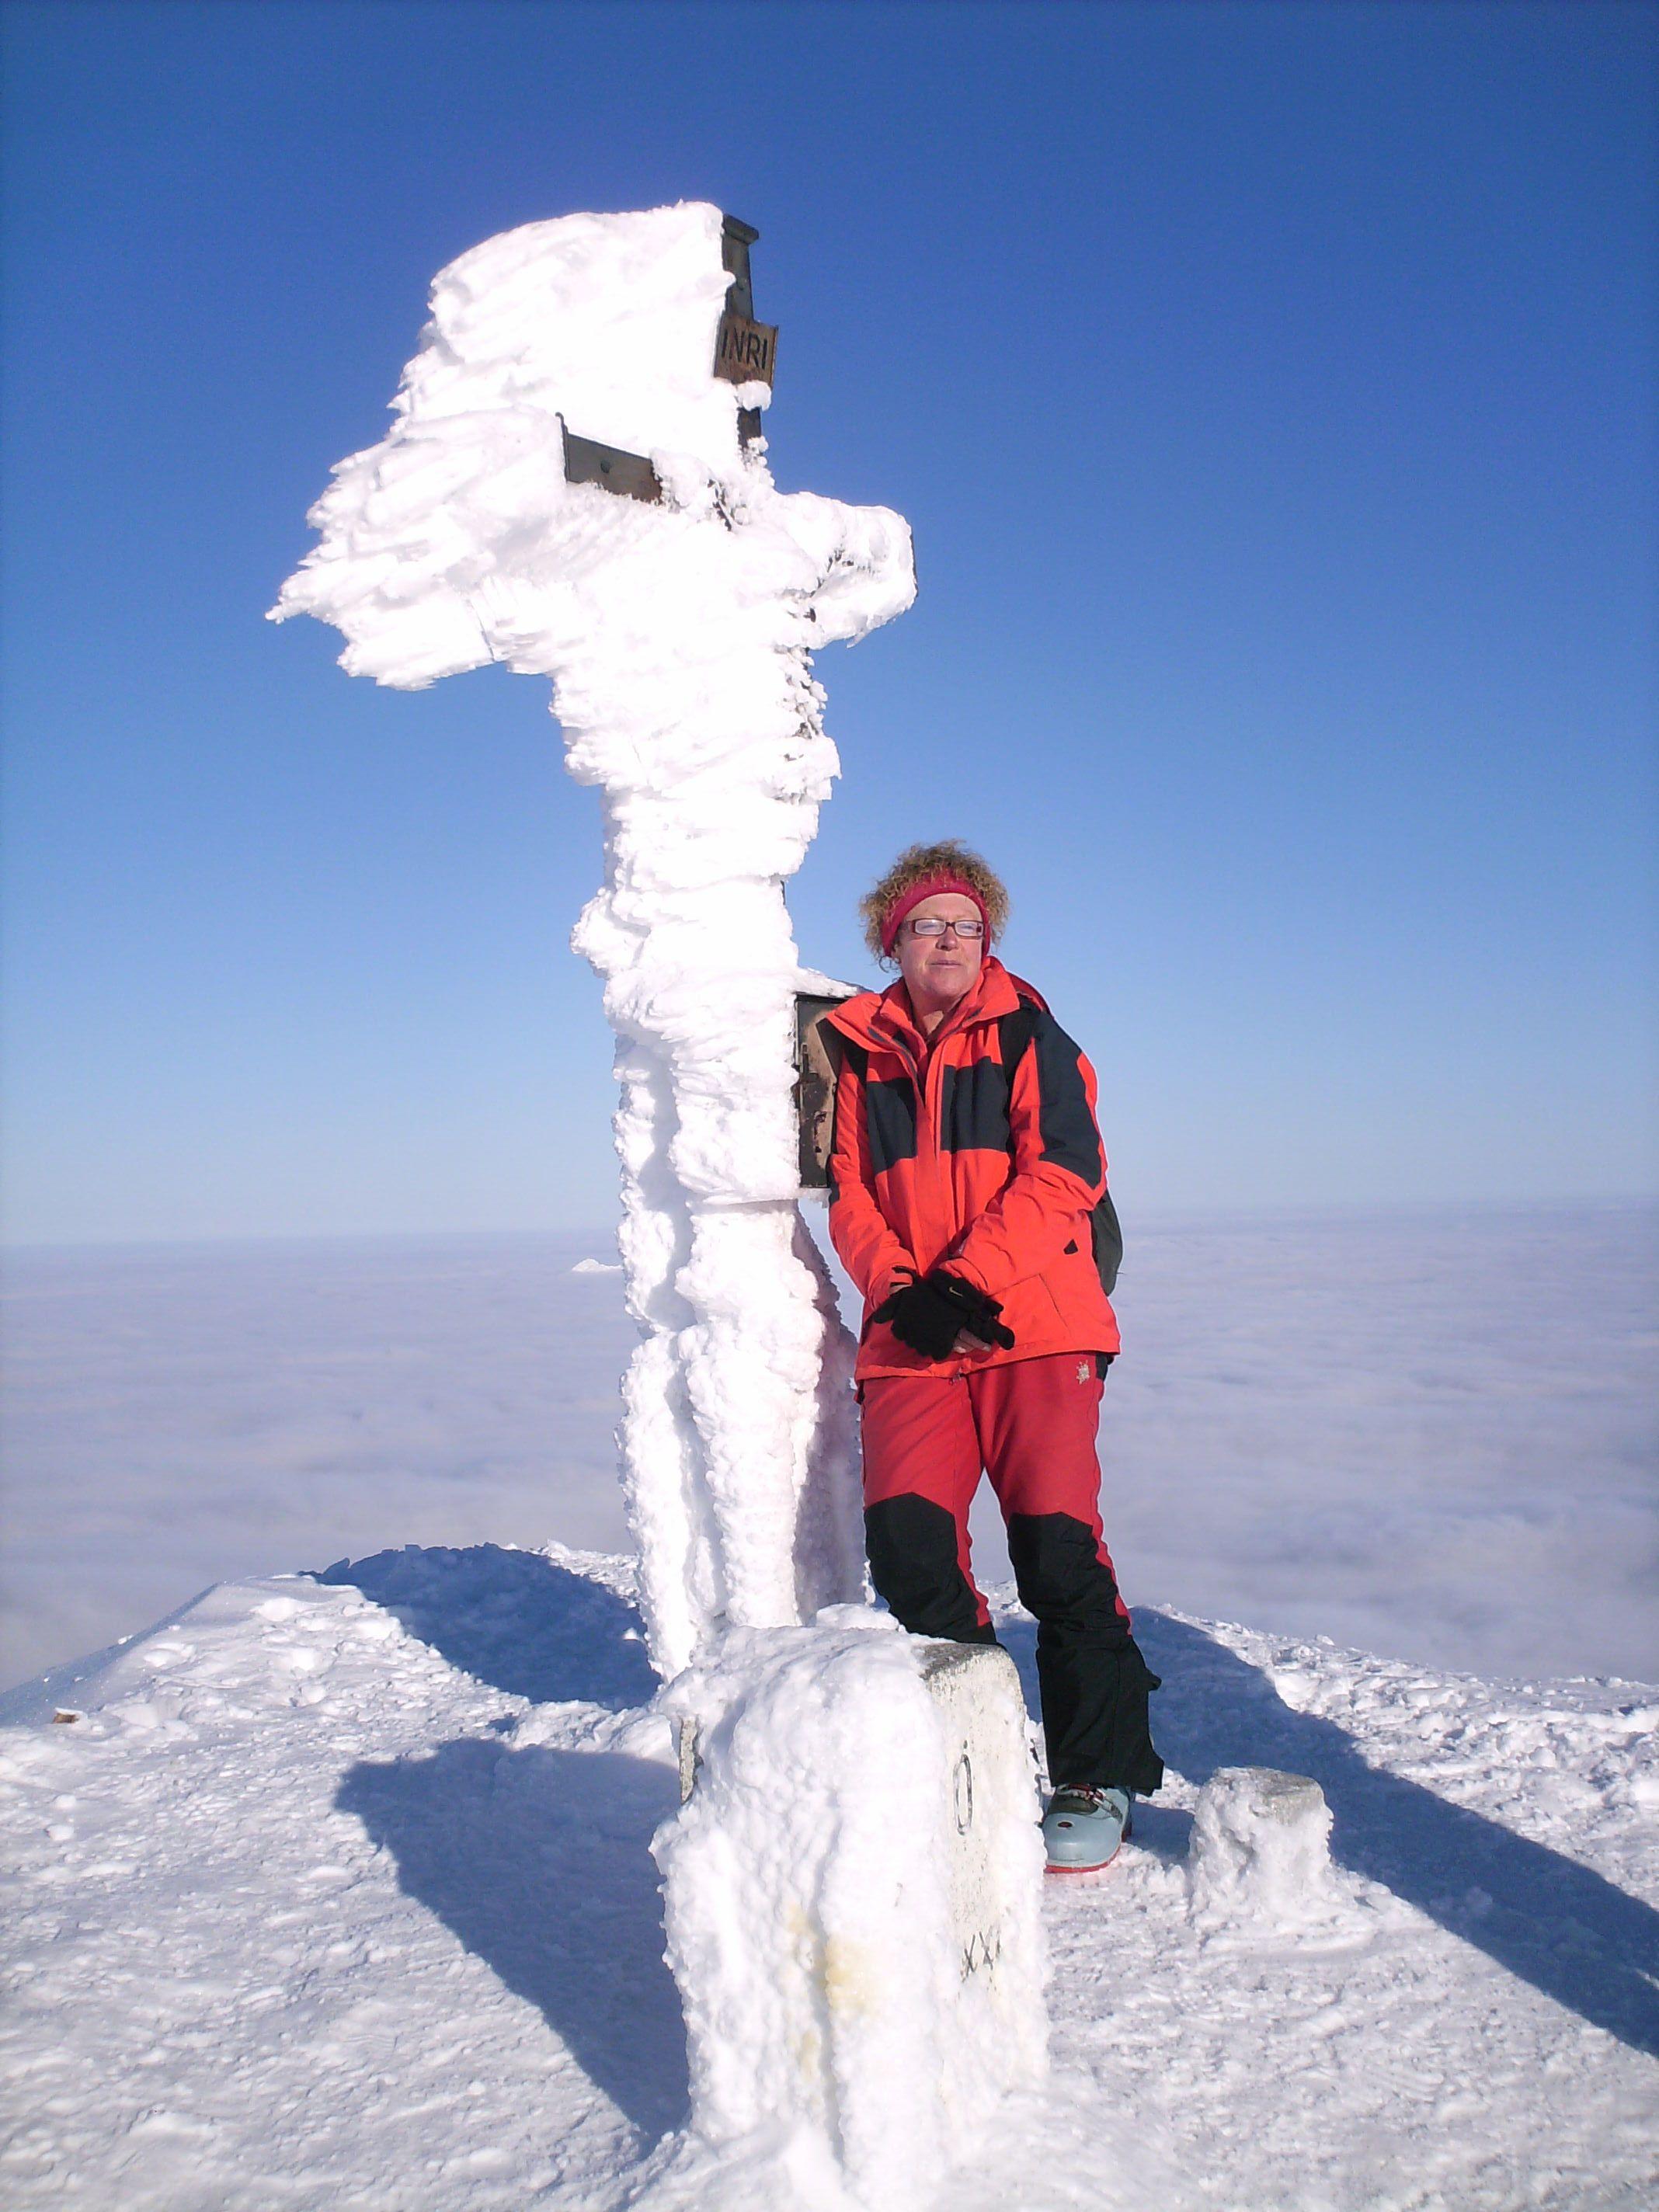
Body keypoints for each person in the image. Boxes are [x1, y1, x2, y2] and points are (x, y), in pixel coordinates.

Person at [824, 840, 1163, 1871]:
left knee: (1056, 1551)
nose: (950, 942)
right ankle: (978, 1755)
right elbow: (850, 1195)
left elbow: (1065, 1174)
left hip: (1034, 1329)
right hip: (912, 1338)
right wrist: (903, 1295)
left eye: (967, 926)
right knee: (910, 1554)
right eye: (928, 925)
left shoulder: (1029, 1034)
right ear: (892, 941)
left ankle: (1096, 1773)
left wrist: (963, 1285)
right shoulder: (859, 1053)